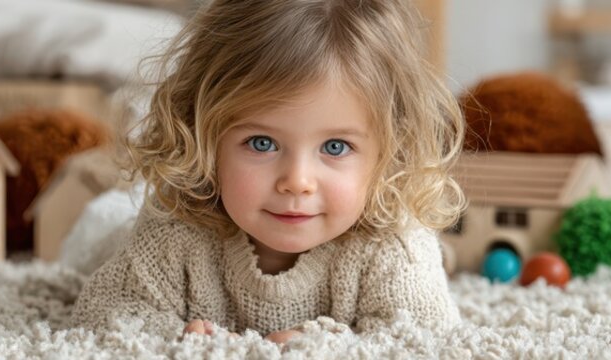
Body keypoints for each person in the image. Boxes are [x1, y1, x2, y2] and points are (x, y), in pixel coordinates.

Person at [73, 0, 466, 345]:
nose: (297, 181)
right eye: (262, 143)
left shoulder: (392, 244)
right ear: (202, 135)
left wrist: (329, 344)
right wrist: (181, 338)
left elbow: (427, 338)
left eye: (335, 147)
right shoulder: (175, 228)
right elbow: (106, 314)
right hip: (114, 227)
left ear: (389, 150)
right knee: (95, 230)